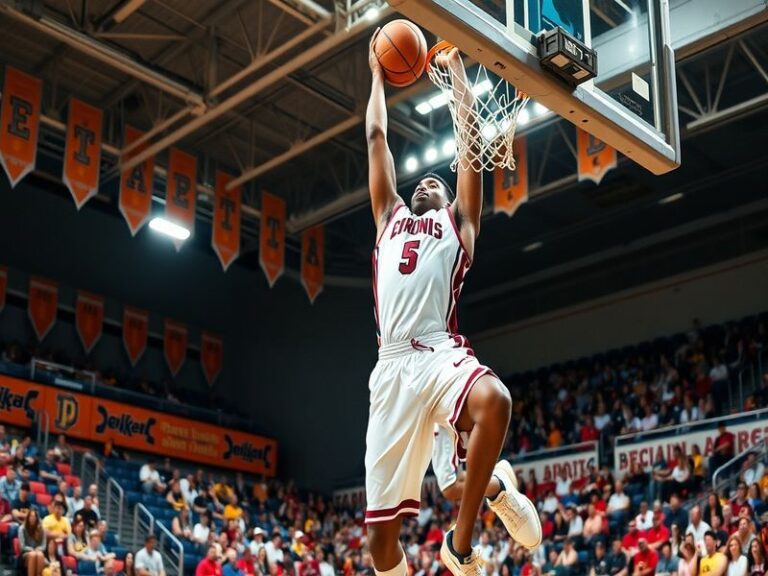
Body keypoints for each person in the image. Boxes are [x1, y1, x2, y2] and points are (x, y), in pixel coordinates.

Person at [364, 31, 541, 576]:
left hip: (438, 353)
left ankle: (459, 547)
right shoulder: (388, 218)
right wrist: (376, 71)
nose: (425, 183)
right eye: (420, 183)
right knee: (378, 545)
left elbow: (469, 147)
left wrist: (456, 71)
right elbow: (376, 136)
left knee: (496, 401)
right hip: (391, 367)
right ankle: (495, 490)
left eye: (436, 184)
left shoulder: (458, 225)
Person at [20, 508, 47, 576]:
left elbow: (44, 545)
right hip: (26, 553)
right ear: (28, 517)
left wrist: (38, 549)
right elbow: (22, 546)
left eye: (34, 516)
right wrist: (32, 550)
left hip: (38, 552)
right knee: (33, 554)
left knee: (40, 555)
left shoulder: (42, 529)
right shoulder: (22, 529)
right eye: (31, 516)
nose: (32, 518)